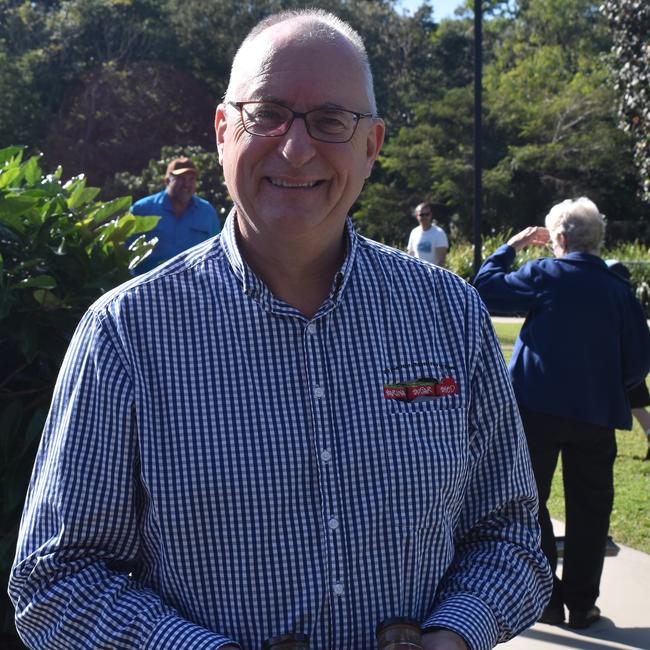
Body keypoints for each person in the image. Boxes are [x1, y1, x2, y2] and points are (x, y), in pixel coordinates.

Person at [10, 10, 552, 650]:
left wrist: (456, 635)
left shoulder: (448, 315)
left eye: (330, 121)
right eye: (265, 114)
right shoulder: (126, 334)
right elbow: (57, 579)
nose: (296, 149)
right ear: (222, 131)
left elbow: (511, 532)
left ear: (372, 145)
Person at [474, 197, 650, 629]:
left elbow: (484, 285)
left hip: (537, 408)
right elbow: (638, 361)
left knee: (532, 504)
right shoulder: (617, 288)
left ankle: (548, 599)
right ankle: (583, 603)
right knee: (591, 512)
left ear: (560, 239)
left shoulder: (544, 275)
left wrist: (511, 245)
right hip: (595, 415)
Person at [130, 156, 221, 274]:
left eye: (191, 179)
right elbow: (125, 254)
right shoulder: (142, 209)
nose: (186, 184)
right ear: (167, 181)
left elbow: (217, 252)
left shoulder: (207, 212)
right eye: (181, 179)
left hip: (194, 286)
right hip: (150, 287)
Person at [606, 259, 650, 460]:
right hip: (630, 365)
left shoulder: (615, 303)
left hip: (622, 367)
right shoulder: (628, 301)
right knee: (634, 404)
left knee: (633, 403)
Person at [407, 202, 449, 267]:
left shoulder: (439, 233)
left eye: (427, 214)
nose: (424, 217)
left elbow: (441, 260)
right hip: (416, 274)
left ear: (431, 215)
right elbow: (410, 255)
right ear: (417, 216)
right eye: (421, 214)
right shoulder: (414, 232)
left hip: (432, 274)